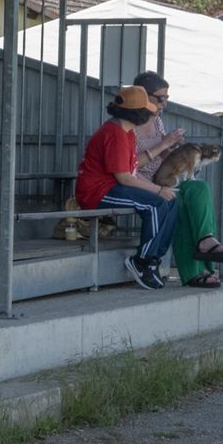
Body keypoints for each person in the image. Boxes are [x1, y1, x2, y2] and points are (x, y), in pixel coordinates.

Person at [130, 70, 223, 288]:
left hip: (164, 177)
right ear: (143, 96)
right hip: (140, 182)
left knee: (199, 189)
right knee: (178, 204)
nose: (164, 104)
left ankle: (206, 239)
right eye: (160, 98)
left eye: (166, 98)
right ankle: (196, 271)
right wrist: (163, 144)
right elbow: (127, 166)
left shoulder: (156, 121)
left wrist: (174, 148)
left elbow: (162, 156)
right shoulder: (128, 125)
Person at [76, 84, 184, 290]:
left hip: (113, 186)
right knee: (155, 204)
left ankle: (154, 259)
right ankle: (142, 261)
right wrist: (158, 190)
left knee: (169, 202)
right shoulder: (114, 133)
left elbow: (131, 170)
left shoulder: (127, 131)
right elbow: (124, 177)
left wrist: (162, 192)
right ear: (136, 113)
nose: (149, 116)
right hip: (97, 192)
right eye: (146, 111)